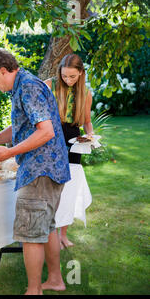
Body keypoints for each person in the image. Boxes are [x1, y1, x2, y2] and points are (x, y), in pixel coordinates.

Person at [0, 48, 71, 295]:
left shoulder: (27, 87)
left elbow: (45, 131)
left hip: (40, 170)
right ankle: (55, 280)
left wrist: (10, 152)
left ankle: (33, 291)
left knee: (30, 234)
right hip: (50, 168)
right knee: (46, 228)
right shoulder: (24, 84)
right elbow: (21, 126)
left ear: (3, 71)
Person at [44, 54, 93, 249]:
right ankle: (53, 234)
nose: (68, 80)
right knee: (53, 187)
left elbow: (87, 122)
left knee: (70, 189)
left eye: (73, 77)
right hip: (51, 137)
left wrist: (91, 137)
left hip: (74, 140)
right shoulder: (49, 85)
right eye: (65, 76)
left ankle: (63, 235)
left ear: (81, 73)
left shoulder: (85, 93)